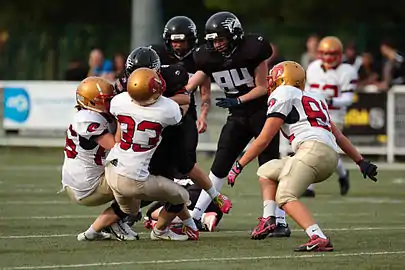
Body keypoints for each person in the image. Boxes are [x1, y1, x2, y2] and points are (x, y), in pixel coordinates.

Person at [227, 61, 378, 251]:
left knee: (285, 195)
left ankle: (318, 236)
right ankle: (268, 218)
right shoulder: (315, 97)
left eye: (274, 78)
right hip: (328, 156)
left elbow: (264, 139)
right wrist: (360, 161)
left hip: (311, 151)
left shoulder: (283, 93)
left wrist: (238, 165)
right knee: (266, 170)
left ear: (282, 79)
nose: (270, 82)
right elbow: (338, 135)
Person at [186, 11, 290, 237]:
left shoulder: (252, 50)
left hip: (262, 113)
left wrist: (239, 99)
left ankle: (277, 219)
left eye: (221, 39)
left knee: (269, 167)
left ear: (234, 35)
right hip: (237, 115)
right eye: (213, 40)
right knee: (220, 163)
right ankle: (195, 215)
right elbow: (195, 79)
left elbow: (262, 87)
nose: (217, 45)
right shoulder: (207, 57)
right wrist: (181, 92)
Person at [116, 47, 232, 234]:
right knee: (146, 174)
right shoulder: (124, 85)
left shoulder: (172, 77)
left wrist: (161, 103)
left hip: (171, 124)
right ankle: (129, 215)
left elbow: (184, 101)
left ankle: (212, 197)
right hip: (142, 131)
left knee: (184, 165)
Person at [106, 67, 192, 241]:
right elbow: (179, 114)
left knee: (131, 209)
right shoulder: (167, 109)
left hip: (112, 170)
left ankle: (93, 231)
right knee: (181, 196)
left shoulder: (118, 101)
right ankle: (159, 231)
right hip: (134, 179)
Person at [61, 76, 138, 241]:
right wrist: (121, 115)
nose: (110, 103)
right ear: (91, 102)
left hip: (83, 178)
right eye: (106, 100)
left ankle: (101, 228)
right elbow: (115, 145)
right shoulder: (87, 119)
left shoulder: (92, 114)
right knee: (139, 182)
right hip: (87, 185)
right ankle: (114, 223)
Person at [305, 36, 358, 197]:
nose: (328, 58)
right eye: (325, 54)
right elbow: (306, 90)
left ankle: (341, 174)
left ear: (339, 55)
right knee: (313, 147)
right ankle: (310, 187)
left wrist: (329, 100)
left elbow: (348, 99)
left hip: (335, 115)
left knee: (324, 150)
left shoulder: (347, 71)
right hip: (315, 113)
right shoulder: (313, 67)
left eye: (332, 54)